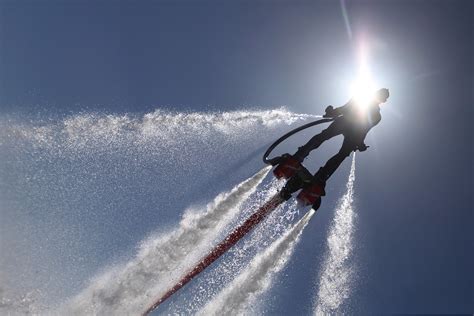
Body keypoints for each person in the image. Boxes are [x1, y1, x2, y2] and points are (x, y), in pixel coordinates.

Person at [292, 88, 390, 185]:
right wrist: (332, 112)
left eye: (382, 96)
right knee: (327, 139)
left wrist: (360, 144)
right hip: (348, 126)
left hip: (350, 129)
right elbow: (346, 109)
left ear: (383, 100)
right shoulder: (363, 101)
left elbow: (364, 130)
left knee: (334, 146)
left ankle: (318, 173)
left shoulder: (374, 113)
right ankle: (305, 160)